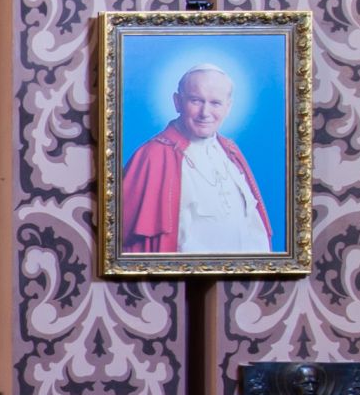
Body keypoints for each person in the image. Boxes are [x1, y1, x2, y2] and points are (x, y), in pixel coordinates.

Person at [117, 61, 273, 256]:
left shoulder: (231, 152)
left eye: (215, 103)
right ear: (177, 102)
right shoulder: (152, 156)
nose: (205, 113)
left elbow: (253, 224)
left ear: (228, 107)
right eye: (196, 101)